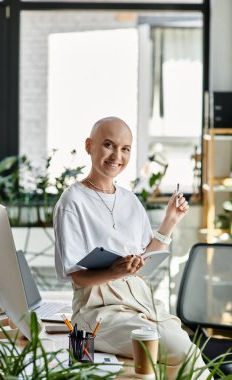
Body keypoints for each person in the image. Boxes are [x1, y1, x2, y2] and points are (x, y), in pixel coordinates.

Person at [54, 116, 211, 379]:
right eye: (108, 145)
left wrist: (170, 221)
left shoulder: (130, 200)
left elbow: (143, 263)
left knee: (188, 353)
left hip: (142, 303)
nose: (117, 155)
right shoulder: (72, 202)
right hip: (98, 311)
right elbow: (77, 275)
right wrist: (115, 271)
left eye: (125, 149)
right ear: (89, 145)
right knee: (184, 354)